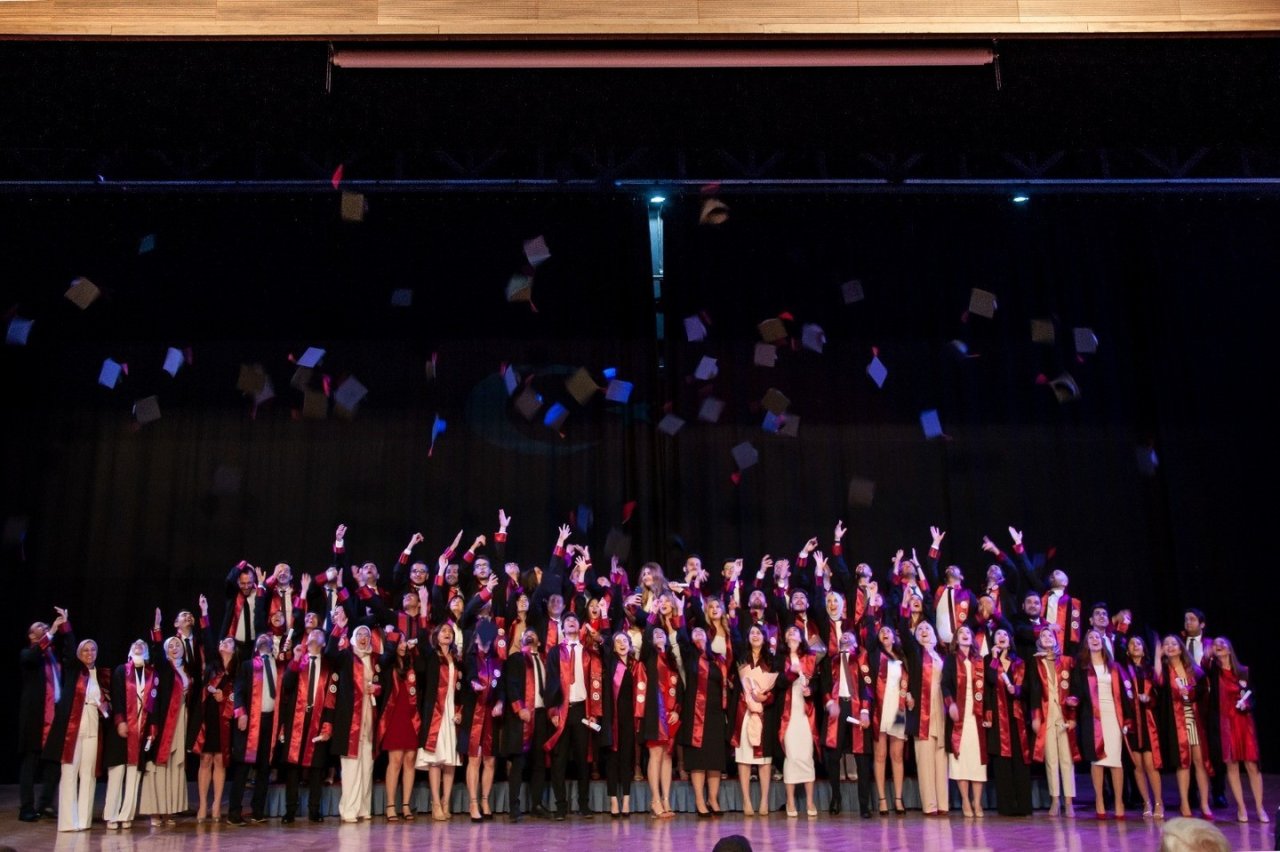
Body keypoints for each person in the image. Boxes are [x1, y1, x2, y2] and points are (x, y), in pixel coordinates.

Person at [46, 629, 111, 832]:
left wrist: (104, 707)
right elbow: (68, 648)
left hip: (92, 727)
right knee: (69, 772)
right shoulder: (75, 670)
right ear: (79, 654)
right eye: (85, 650)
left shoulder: (101, 675)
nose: (89, 653)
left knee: (89, 774)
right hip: (72, 730)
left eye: (92, 650)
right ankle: (68, 821)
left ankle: (84, 820)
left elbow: (108, 703)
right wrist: (65, 627)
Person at [1205, 636, 1267, 823]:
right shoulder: (1213, 671)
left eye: (1222, 643)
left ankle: (1259, 807)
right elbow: (1203, 668)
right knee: (1231, 765)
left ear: (1230, 648)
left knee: (1252, 765)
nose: (1219, 646)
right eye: (1216, 645)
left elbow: (1253, 695)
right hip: (1224, 724)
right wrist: (1208, 656)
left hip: (1243, 722)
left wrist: (1247, 704)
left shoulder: (1243, 671)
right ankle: (1241, 808)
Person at [226, 631, 284, 826]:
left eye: (268, 638)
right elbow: (239, 691)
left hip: (270, 721)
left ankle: (258, 811)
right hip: (251, 720)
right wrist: (240, 713)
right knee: (242, 767)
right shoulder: (248, 665)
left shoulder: (278, 666)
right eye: (261, 638)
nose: (264, 638)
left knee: (264, 768)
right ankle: (234, 812)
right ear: (256, 646)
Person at [278, 629, 335, 824]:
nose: (315, 634)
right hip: (296, 719)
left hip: (317, 719)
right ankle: (290, 810)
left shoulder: (328, 666)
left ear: (324, 642)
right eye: (313, 633)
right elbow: (286, 684)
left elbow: (331, 698)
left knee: (316, 768)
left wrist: (327, 725)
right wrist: (295, 658)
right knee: (293, 768)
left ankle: (314, 810)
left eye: (320, 632)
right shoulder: (298, 661)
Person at [500, 627, 556, 821]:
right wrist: (519, 708)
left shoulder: (545, 661)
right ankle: (514, 807)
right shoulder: (516, 659)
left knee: (539, 762)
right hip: (522, 715)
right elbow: (511, 684)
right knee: (518, 762)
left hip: (540, 715)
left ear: (539, 642)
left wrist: (552, 711)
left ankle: (537, 804)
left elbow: (551, 689)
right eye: (526, 634)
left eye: (534, 634)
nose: (530, 635)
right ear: (522, 640)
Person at [1155, 633, 1213, 819]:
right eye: (1166, 644)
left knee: (1200, 762)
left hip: (1194, 719)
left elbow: (1204, 690)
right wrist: (1157, 656)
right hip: (1176, 721)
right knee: (1183, 763)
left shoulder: (1193, 669)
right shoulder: (1164, 669)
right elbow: (1157, 681)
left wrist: (1191, 691)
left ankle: (1204, 803)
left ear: (1181, 648)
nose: (1170, 646)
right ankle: (1185, 803)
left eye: (1174, 643)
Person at [19, 607, 69, 822]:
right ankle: (27, 808)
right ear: (32, 635)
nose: (45, 627)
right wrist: (51, 633)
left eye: (45, 625)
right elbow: (32, 657)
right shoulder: (30, 653)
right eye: (39, 627)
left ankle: (46, 804)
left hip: (54, 716)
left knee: (53, 764)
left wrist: (64, 625)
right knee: (30, 763)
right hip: (35, 718)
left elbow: (71, 648)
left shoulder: (53, 655)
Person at [1073, 627, 1128, 819]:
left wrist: (1126, 719)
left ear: (1102, 642)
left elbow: (1124, 695)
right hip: (1092, 718)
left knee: (1115, 760)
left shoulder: (1113, 667)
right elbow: (1077, 692)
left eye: (1097, 637)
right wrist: (1073, 700)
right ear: (1086, 643)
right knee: (1097, 760)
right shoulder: (1081, 667)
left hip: (1113, 715)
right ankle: (1100, 801)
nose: (1094, 639)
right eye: (1091, 637)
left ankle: (1119, 801)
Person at [139, 632, 192, 826]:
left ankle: (169, 810)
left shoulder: (186, 669)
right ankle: (155, 811)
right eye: (171, 645)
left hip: (181, 719)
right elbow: (156, 652)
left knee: (175, 764)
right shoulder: (163, 668)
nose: (175, 648)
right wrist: (157, 629)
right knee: (159, 763)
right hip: (163, 720)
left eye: (178, 644)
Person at [1027, 624, 1079, 817]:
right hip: (1046, 714)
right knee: (1051, 759)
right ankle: (1055, 799)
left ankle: (1069, 801)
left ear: (1057, 640)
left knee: (1067, 758)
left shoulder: (1066, 661)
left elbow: (1074, 689)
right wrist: (1035, 717)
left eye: (1051, 635)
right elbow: (1033, 691)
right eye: (1044, 635)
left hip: (1064, 714)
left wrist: (1073, 717)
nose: (1048, 637)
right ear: (1039, 641)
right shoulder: (1035, 663)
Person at [678, 624, 729, 817]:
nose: (698, 633)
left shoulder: (716, 658)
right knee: (698, 760)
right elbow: (681, 635)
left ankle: (713, 799)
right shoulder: (690, 656)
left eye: (701, 631)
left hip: (715, 714)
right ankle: (700, 800)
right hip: (695, 714)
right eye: (695, 632)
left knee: (715, 760)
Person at [822, 629, 874, 818]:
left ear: (854, 643)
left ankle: (864, 805)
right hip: (837, 706)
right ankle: (835, 798)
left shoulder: (860, 660)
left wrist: (865, 710)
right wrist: (829, 703)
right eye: (842, 635)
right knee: (833, 757)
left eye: (849, 635)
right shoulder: (831, 661)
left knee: (861, 758)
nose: (845, 636)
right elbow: (825, 685)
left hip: (856, 707)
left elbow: (867, 687)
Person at [103, 638, 151, 830]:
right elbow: (117, 697)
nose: (138, 645)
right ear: (130, 651)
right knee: (117, 771)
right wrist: (120, 720)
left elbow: (152, 703)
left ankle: (127, 814)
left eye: (142, 645)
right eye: (135, 644)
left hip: (141, 728)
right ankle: (112, 814)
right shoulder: (122, 670)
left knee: (134, 773)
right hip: (122, 728)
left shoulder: (150, 673)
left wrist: (151, 731)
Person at [732, 622, 778, 816]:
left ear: (765, 636)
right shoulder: (741, 659)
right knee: (744, 758)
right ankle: (746, 801)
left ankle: (764, 801)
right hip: (744, 712)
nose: (755, 635)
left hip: (764, 714)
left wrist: (765, 697)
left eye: (759, 632)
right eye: (752, 632)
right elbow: (734, 686)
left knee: (764, 759)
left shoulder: (772, 659)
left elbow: (776, 689)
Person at [943, 624, 988, 818]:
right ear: (956, 639)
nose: (965, 635)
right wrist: (950, 704)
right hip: (959, 715)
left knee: (978, 761)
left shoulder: (979, 661)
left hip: (977, 715)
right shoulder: (951, 660)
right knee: (961, 760)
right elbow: (944, 685)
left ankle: (977, 802)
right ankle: (964, 801)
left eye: (968, 632)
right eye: (960, 633)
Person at [1118, 634, 1165, 818]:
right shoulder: (1122, 670)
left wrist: (1149, 698)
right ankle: (1146, 802)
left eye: (1138, 642)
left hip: (1148, 721)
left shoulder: (1150, 669)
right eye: (1131, 643)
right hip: (1131, 722)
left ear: (1144, 648)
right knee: (1137, 766)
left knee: (1150, 765)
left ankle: (1159, 803)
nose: (1135, 645)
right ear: (1128, 650)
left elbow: (1159, 688)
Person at [986, 627, 1032, 816]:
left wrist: (1018, 691)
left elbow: (1028, 687)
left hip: (1017, 716)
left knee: (1020, 761)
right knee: (1002, 762)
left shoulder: (1019, 662)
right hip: (998, 718)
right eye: (998, 634)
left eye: (1005, 634)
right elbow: (989, 681)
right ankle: (1005, 806)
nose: (1002, 637)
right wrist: (995, 658)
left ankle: (1023, 805)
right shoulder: (989, 661)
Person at [460, 620, 503, 822]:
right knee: (474, 759)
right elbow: (468, 676)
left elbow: (501, 687)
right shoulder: (470, 658)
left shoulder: (496, 660)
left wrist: (500, 703)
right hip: (473, 714)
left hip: (491, 715)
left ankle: (485, 800)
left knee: (490, 760)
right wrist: (473, 683)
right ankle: (473, 802)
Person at [905, 620, 949, 816]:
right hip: (922, 711)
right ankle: (930, 805)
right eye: (920, 629)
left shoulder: (941, 656)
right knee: (925, 760)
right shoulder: (915, 655)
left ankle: (943, 804)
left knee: (941, 759)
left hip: (941, 708)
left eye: (927, 628)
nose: (924, 631)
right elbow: (906, 638)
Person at [192, 634, 237, 822]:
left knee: (220, 759)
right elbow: (204, 687)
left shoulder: (237, 669)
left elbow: (240, 693)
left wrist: (225, 696)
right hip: (209, 717)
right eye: (221, 641)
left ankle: (217, 804)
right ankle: (202, 804)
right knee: (205, 759)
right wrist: (213, 691)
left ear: (234, 650)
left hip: (226, 720)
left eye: (227, 642)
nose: (222, 643)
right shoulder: (212, 666)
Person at [420, 621, 462, 821]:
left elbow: (460, 688)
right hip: (435, 713)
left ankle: (446, 801)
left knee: (450, 761)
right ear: (436, 636)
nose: (447, 633)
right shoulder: (431, 657)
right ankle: (435, 802)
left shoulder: (456, 658)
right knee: (435, 761)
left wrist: (460, 709)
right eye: (443, 631)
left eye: (450, 631)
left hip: (452, 712)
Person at [641, 623, 682, 818]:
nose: (659, 635)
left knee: (667, 756)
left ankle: (666, 799)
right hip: (654, 714)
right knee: (655, 755)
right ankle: (655, 800)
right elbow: (647, 640)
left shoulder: (672, 661)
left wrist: (677, 710)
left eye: (661, 633)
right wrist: (651, 620)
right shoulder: (649, 657)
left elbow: (679, 689)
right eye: (655, 633)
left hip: (670, 714)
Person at [779, 625, 820, 818]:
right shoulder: (780, 659)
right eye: (789, 632)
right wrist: (791, 673)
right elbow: (777, 683)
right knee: (792, 756)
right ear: (785, 638)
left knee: (806, 755)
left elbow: (817, 683)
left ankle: (810, 801)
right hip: (788, 715)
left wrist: (810, 690)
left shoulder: (810, 658)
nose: (792, 634)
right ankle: (790, 801)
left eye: (795, 632)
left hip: (805, 713)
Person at [869, 624, 908, 816]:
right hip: (881, 707)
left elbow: (907, 683)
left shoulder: (902, 658)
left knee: (897, 755)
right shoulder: (876, 656)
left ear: (894, 637)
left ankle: (898, 799)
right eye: (882, 631)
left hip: (898, 710)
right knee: (880, 755)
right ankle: (882, 799)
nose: (885, 633)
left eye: (888, 631)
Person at [601, 631, 641, 817]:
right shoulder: (611, 664)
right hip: (612, 717)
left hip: (629, 718)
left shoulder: (635, 666)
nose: (622, 643)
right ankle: (613, 800)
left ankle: (626, 799)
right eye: (618, 641)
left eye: (625, 640)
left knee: (627, 759)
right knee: (612, 760)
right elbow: (605, 646)